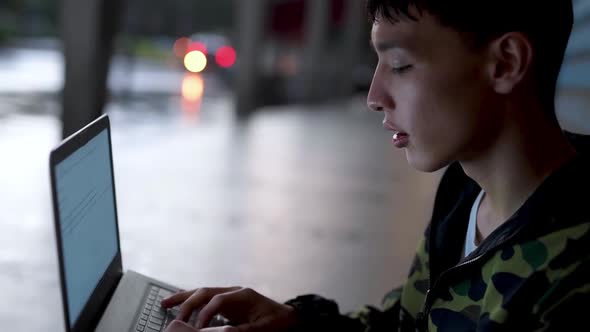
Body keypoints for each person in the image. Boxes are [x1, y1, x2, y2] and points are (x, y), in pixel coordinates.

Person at [162, 0, 590, 330]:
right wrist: (298, 323)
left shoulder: (571, 276)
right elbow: (406, 322)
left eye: (401, 65)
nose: (374, 94)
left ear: (505, 63)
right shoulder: (466, 189)